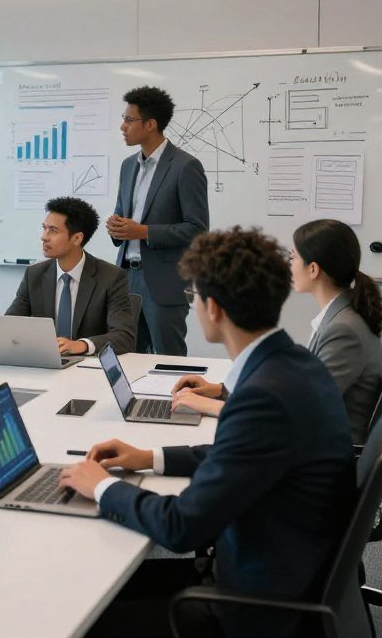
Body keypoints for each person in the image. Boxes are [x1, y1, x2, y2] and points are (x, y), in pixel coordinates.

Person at [59, 227, 355, 638]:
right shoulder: (294, 366)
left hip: (249, 609)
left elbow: (181, 527)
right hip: (277, 567)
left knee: (77, 618)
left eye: (192, 296)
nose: (193, 305)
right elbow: (238, 454)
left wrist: (103, 487)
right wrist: (150, 458)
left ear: (212, 308)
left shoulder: (264, 396)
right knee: (90, 590)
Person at [173, 219, 382, 443]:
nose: (289, 265)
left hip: (327, 448)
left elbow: (300, 408)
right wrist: (219, 390)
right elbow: (298, 389)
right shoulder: (339, 316)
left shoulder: (343, 329)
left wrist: (208, 406)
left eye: (293, 257)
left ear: (313, 269)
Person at [106, 86, 208, 355]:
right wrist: (116, 228)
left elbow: (197, 230)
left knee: (168, 359)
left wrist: (143, 231)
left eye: (129, 120)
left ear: (150, 124)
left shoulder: (186, 166)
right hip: (125, 278)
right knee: (126, 356)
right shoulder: (128, 166)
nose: (123, 126)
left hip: (164, 283)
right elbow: (123, 215)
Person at [5, 196, 135, 355]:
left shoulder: (111, 277)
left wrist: (82, 345)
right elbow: (9, 325)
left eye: (53, 231)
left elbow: (124, 337)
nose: (44, 237)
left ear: (77, 238)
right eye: (44, 228)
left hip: (89, 365)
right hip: (45, 361)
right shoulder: (34, 275)